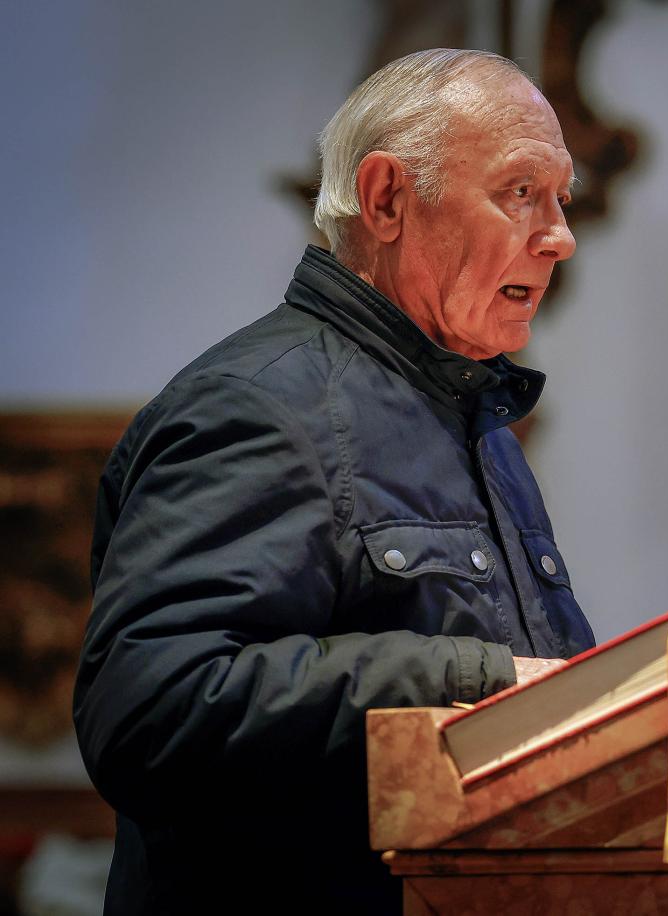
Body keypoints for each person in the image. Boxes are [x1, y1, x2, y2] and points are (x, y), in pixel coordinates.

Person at [73, 49, 595, 914]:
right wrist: (470, 680)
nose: (561, 236)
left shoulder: (476, 422)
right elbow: (149, 707)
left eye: (561, 199)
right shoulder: (257, 408)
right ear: (388, 198)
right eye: (519, 192)